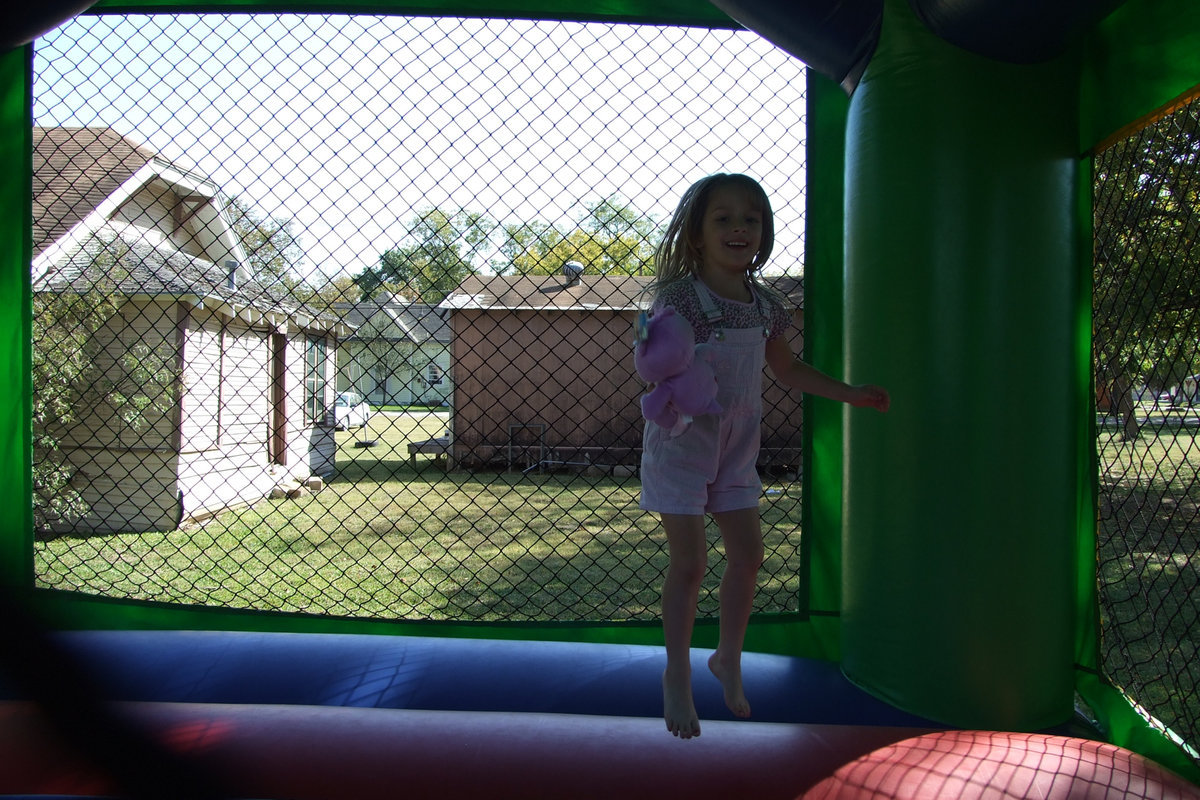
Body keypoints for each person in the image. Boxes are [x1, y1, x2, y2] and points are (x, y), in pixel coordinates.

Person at [639, 173, 890, 739]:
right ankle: (676, 674)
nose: (738, 228)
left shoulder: (767, 305)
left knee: (748, 556)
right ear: (698, 236)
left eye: (750, 219)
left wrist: (849, 392)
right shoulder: (681, 298)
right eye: (722, 218)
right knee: (690, 564)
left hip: (735, 451)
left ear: (764, 231)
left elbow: (787, 368)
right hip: (684, 444)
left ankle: (728, 656)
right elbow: (659, 362)